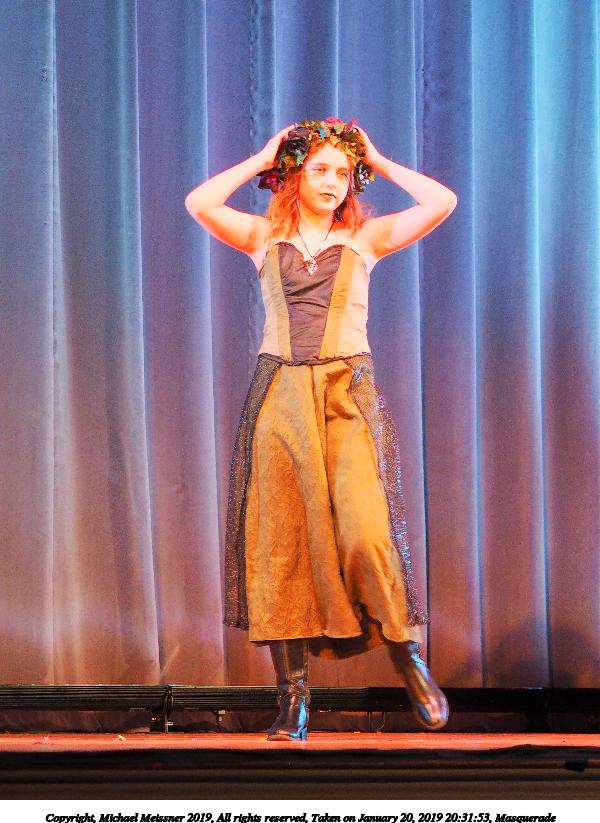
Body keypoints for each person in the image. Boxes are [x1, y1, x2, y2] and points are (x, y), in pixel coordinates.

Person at [185, 118, 457, 741]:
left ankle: (407, 655)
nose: (333, 181)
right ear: (295, 176)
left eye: (343, 172)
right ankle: (294, 701)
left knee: (366, 529)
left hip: (344, 393)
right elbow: (199, 202)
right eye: (320, 170)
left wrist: (376, 159)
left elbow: (441, 201)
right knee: (282, 545)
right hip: (281, 397)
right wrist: (263, 157)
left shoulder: (365, 238)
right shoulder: (263, 237)